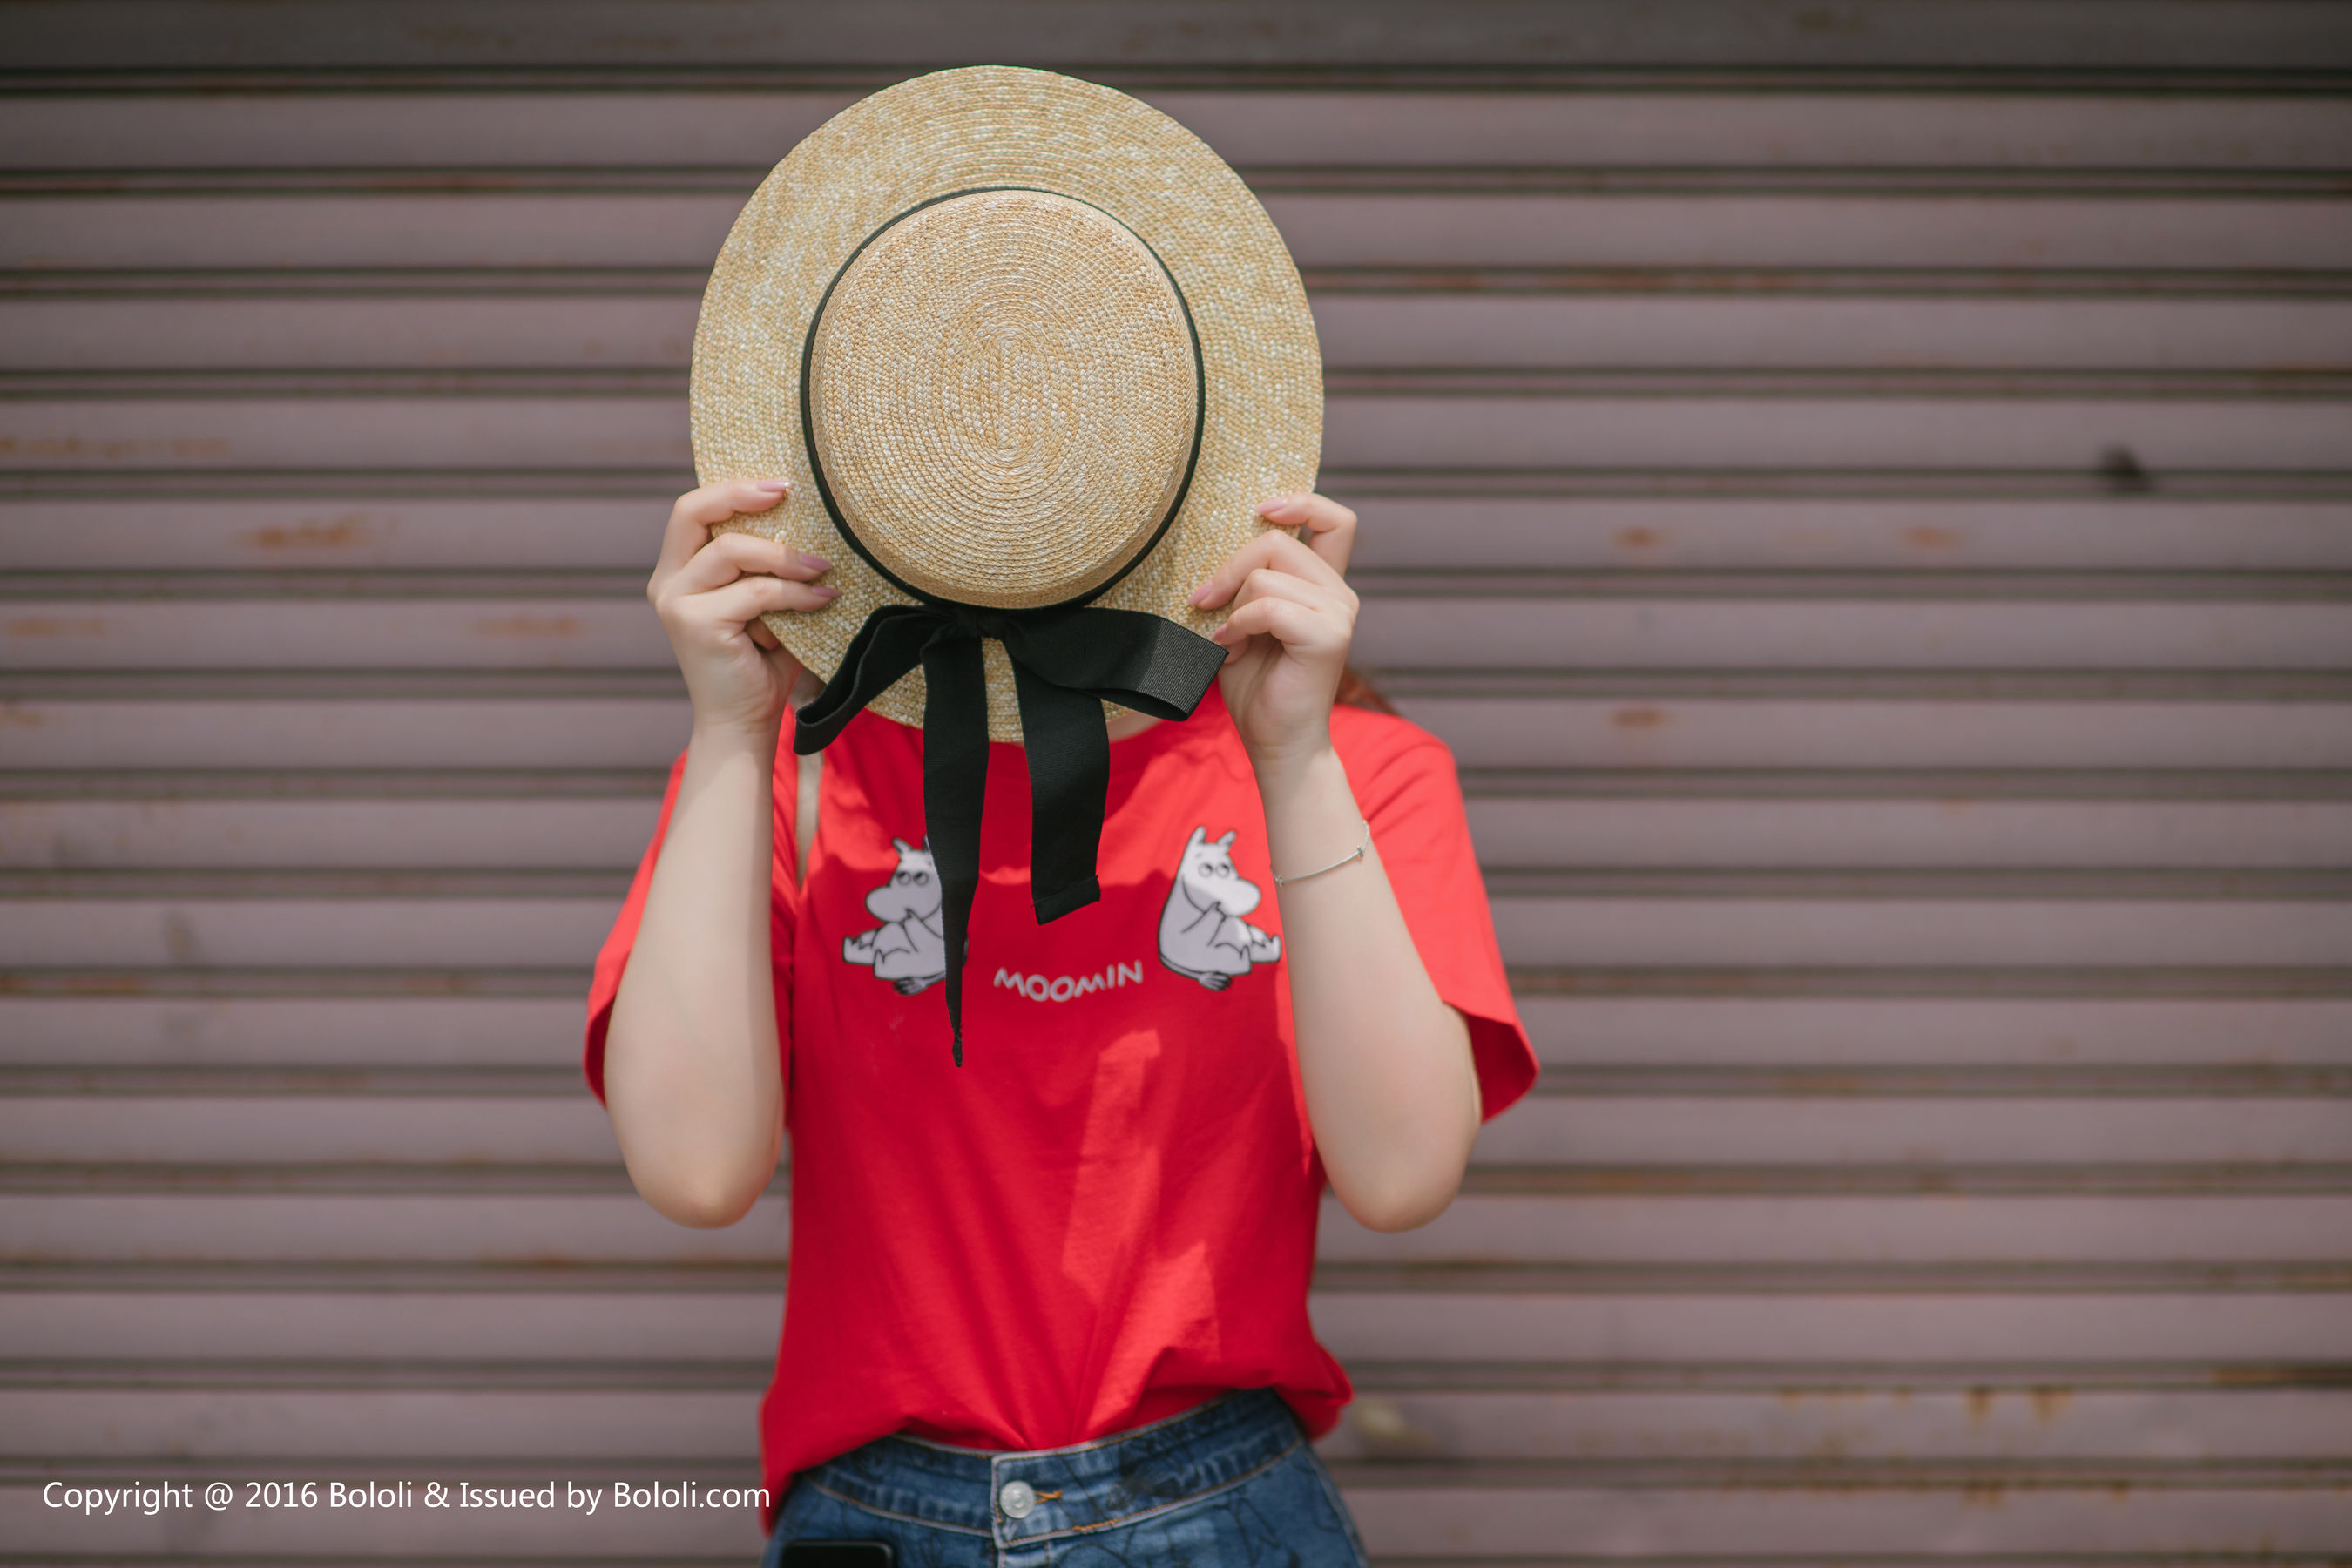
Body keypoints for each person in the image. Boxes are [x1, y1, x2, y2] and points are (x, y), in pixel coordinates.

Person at [583, 478, 1537, 1565]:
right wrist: (729, 732)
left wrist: (1295, 754)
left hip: (1218, 1504)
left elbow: (1405, 1175)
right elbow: (693, 1172)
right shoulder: (790, 772)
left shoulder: (1352, 770)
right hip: (879, 1515)